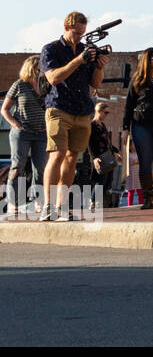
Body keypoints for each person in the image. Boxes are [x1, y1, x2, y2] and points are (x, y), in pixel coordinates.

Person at [40, 12, 106, 221]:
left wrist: (99, 67)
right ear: (66, 27)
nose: (79, 37)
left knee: (72, 158)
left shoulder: (87, 51)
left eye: (82, 33)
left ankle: (61, 207)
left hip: (82, 110)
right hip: (58, 108)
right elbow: (53, 78)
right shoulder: (51, 49)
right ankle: (48, 205)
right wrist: (79, 60)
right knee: (57, 155)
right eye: (76, 33)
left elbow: (95, 84)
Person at [121, 47, 153, 211]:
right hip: (141, 125)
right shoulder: (137, 80)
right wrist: (125, 129)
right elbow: (128, 106)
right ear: (147, 61)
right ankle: (148, 198)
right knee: (145, 161)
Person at [3, 56, 48, 216]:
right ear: (31, 68)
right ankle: (12, 202)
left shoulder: (45, 86)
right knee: (17, 166)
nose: (42, 70)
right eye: (39, 68)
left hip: (42, 133)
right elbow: (5, 109)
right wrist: (16, 124)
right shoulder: (19, 85)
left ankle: (38, 200)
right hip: (22, 132)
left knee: (40, 168)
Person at [87, 101, 118, 211]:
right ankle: (92, 201)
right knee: (100, 180)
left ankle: (98, 202)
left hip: (107, 155)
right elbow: (89, 143)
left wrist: (116, 150)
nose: (106, 115)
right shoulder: (92, 125)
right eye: (105, 112)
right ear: (98, 111)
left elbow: (107, 141)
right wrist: (94, 158)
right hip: (99, 156)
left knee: (107, 180)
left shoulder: (103, 125)